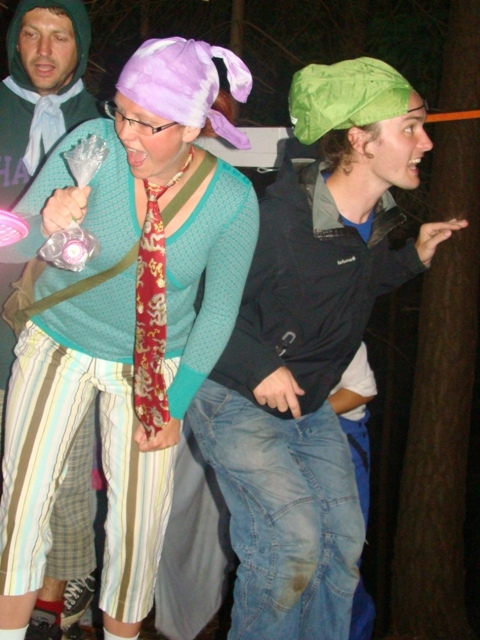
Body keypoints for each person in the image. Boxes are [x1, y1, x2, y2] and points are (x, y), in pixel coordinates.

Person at [186, 57, 468, 640]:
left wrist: (412, 259)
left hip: (307, 403)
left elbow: (347, 282)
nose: (425, 142)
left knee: (342, 548)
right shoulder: (276, 222)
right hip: (232, 396)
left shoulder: (371, 219)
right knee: (290, 546)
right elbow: (202, 304)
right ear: (360, 140)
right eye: (410, 127)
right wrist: (259, 365)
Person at [0, 35, 258, 640]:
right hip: (58, 342)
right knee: (22, 508)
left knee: (138, 529)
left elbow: (219, 311)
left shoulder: (232, 200)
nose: (127, 135)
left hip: (152, 368)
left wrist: (175, 401)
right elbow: (10, 241)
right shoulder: (91, 144)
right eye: (121, 112)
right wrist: (43, 222)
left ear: (192, 127)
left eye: (148, 123)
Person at [0, 1, 102, 638]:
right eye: (31, 35)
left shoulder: (105, 124)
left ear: (78, 45)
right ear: (15, 41)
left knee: (62, 471)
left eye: (59, 37)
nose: (43, 51)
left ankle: (47, 613)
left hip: (67, 321)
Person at [329, 342, 377, 640]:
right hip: (279, 440)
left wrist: (298, 414)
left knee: (341, 560)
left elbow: (361, 389)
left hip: (340, 438)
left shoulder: (338, 322)